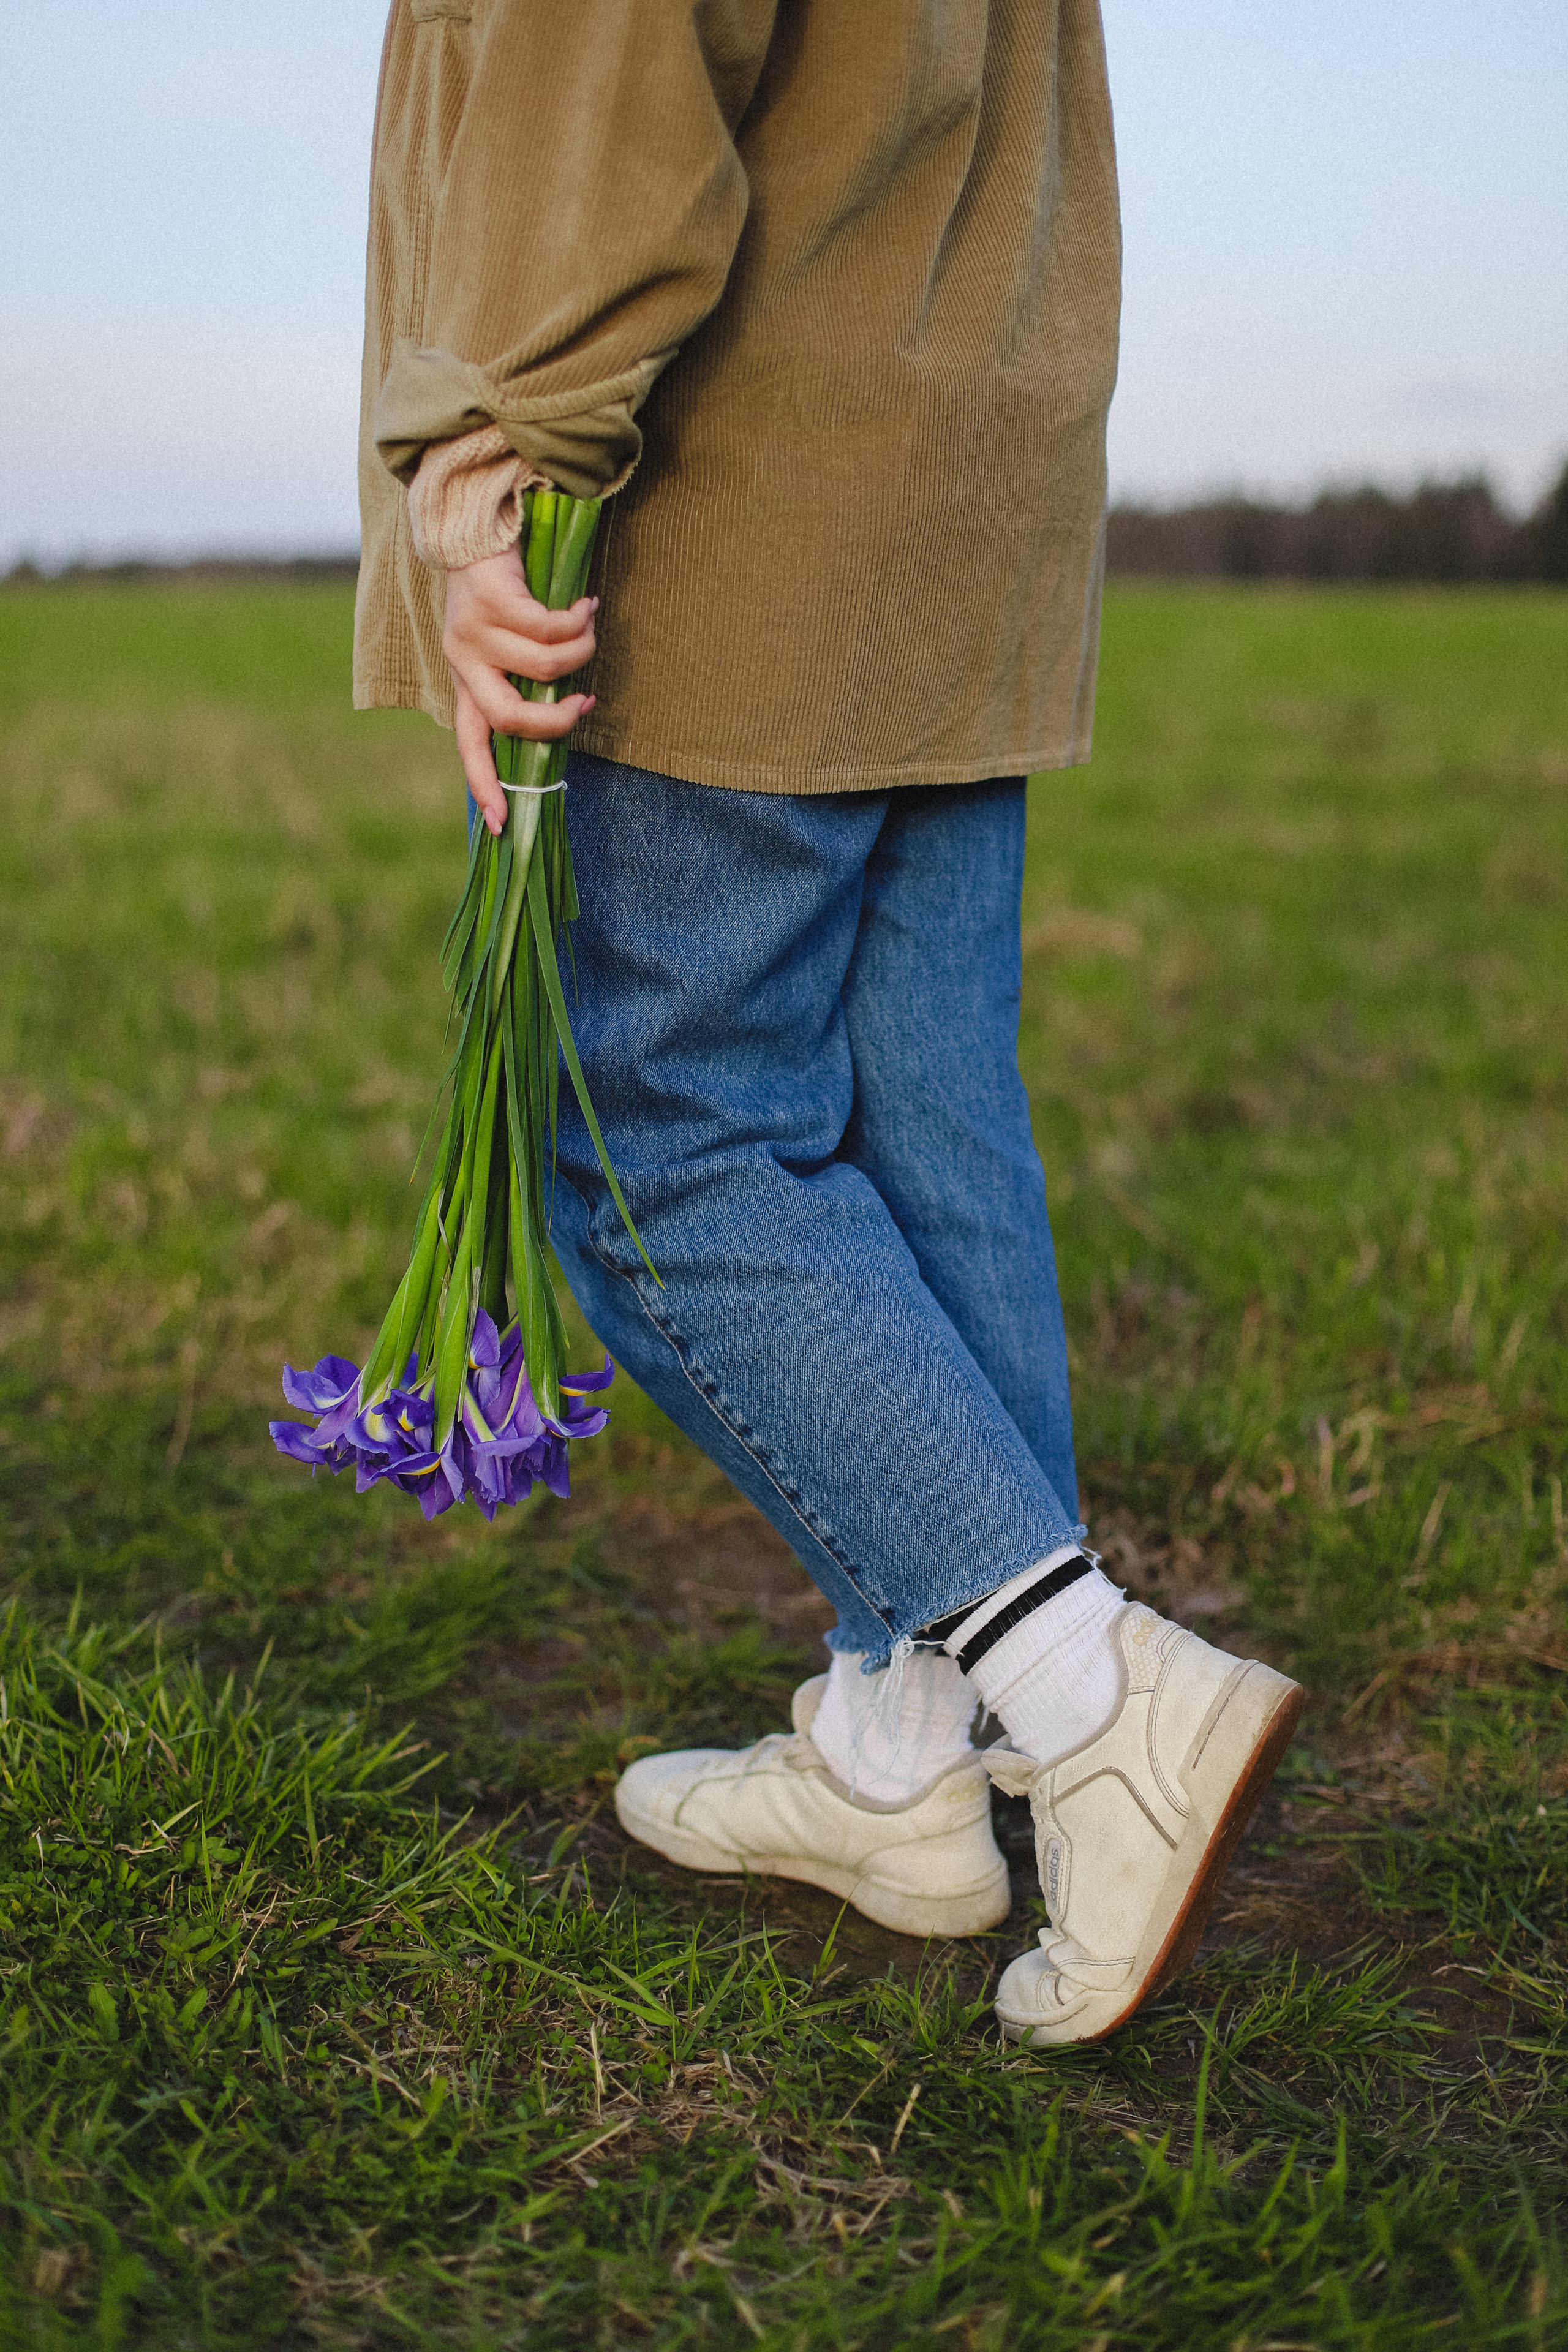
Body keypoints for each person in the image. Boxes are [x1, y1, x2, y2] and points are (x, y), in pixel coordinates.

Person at [353, 0, 1302, 2045]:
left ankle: (1098, 1708)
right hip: (962, 468)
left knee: (658, 1147)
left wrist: (493, 451)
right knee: (917, 1116)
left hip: (736, 481)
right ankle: (903, 1759)